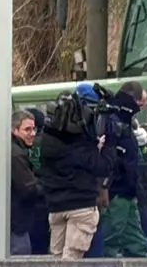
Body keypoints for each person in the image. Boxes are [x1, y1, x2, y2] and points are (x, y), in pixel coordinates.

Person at [38, 87, 105, 258]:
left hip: (56, 204)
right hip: (81, 203)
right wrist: (102, 147)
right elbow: (100, 166)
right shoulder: (84, 138)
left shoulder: (48, 137)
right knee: (71, 262)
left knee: (57, 260)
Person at [94, 82, 147, 258]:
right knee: (110, 241)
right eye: (139, 103)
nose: (140, 108)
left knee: (137, 244)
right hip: (116, 192)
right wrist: (105, 187)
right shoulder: (113, 121)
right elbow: (109, 157)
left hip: (126, 191)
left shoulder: (119, 120)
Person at [9, 109, 47, 255]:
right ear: (15, 130)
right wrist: (46, 186)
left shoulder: (18, 151)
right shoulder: (17, 155)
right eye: (27, 129)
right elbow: (28, 189)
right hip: (18, 223)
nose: (32, 134)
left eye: (34, 129)